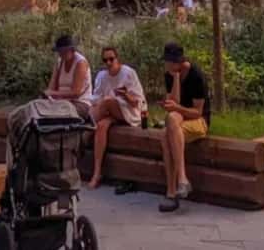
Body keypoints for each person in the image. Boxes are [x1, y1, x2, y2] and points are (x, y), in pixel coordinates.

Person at [157, 42, 210, 213]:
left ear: (180, 61)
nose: (169, 65)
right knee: (169, 125)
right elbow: (175, 102)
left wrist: (176, 108)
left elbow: (197, 112)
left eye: (172, 62)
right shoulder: (170, 74)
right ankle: (179, 184)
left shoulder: (196, 75)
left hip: (199, 121)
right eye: (168, 62)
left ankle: (174, 188)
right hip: (179, 119)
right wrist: (176, 79)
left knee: (167, 133)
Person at [86, 44, 147, 189]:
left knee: (107, 101)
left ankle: (84, 130)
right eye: (105, 60)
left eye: (111, 59)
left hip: (129, 112)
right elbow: (96, 97)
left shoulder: (128, 73)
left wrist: (125, 95)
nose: (108, 63)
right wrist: (97, 103)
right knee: (101, 127)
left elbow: (137, 102)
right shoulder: (102, 76)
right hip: (110, 113)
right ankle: (97, 172)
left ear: (117, 59)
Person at [45, 33, 93, 119]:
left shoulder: (80, 63)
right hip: (60, 102)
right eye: (60, 51)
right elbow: (51, 87)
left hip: (79, 103)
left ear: (72, 50)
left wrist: (53, 93)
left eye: (64, 51)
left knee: (53, 113)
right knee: (37, 107)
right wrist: (47, 94)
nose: (61, 54)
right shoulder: (59, 62)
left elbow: (76, 92)